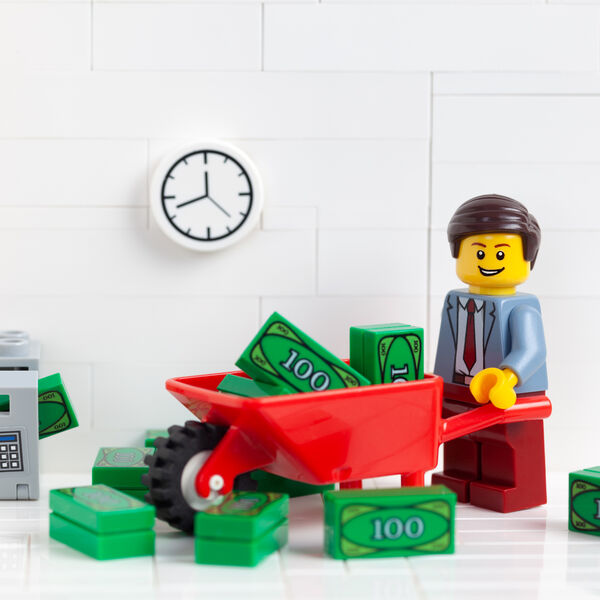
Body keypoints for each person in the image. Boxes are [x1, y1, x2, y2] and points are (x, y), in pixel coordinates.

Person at [432, 194, 548, 512]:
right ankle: (459, 477)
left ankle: (509, 485)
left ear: (527, 257)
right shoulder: (455, 301)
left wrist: (506, 377)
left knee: (505, 443)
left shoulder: (521, 307)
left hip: (507, 392)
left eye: (501, 253)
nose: (489, 261)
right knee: (459, 441)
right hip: (457, 389)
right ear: (458, 253)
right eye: (479, 252)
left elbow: (532, 349)